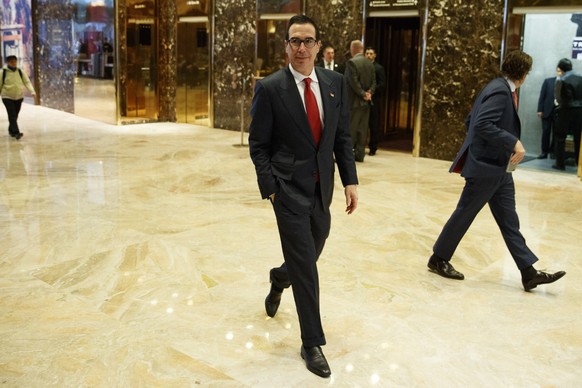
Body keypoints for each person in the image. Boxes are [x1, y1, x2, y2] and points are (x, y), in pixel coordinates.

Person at [248, 15, 358, 378]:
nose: (301, 48)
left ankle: (280, 278)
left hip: (321, 189)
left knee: (313, 250)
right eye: (295, 41)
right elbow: (258, 144)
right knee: (307, 267)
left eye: (308, 41)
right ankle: (311, 342)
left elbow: (341, 138)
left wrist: (349, 181)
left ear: (317, 45)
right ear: (286, 46)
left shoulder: (334, 83)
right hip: (287, 190)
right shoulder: (270, 88)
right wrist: (272, 190)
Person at [427, 50, 566, 292]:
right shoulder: (501, 92)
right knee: (465, 213)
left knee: (509, 221)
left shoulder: (496, 86)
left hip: (498, 168)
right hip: (486, 168)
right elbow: (480, 124)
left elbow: (470, 121)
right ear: (522, 73)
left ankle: (529, 273)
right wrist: (512, 142)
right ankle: (438, 258)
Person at [344, 40, 375, 162]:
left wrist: (362, 94)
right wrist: (369, 94)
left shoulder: (351, 63)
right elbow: (374, 82)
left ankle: (348, 156)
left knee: (351, 128)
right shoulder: (370, 63)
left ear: (353, 49)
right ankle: (360, 154)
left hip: (354, 103)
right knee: (363, 129)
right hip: (367, 103)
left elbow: (353, 82)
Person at [553, 58, 582, 170]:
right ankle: (579, 164)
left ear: (561, 68)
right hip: (580, 110)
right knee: (578, 138)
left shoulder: (561, 80)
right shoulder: (580, 78)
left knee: (560, 137)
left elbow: (558, 97)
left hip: (565, 110)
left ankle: (560, 164)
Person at [1, 55, 36, 140]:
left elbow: (27, 82)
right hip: (7, 96)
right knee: (12, 114)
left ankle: (11, 129)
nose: (14, 63)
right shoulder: (3, 72)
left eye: (15, 61)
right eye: (12, 62)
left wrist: (32, 91)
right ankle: (16, 132)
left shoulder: (20, 71)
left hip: (19, 97)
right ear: (8, 62)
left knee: (15, 115)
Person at [365, 46, 386, 156]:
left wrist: (371, 92)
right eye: (367, 53)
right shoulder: (363, 66)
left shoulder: (378, 68)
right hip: (363, 100)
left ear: (375, 55)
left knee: (373, 124)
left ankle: (373, 147)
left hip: (374, 101)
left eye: (371, 53)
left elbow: (382, 84)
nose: (368, 55)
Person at [536, 75, 556, 159]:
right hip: (547, 111)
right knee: (545, 133)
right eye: (558, 70)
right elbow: (542, 96)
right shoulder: (548, 81)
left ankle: (553, 152)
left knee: (556, 134)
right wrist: (540, 109)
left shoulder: (566, 82)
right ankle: (544, 152)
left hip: (559, 112)